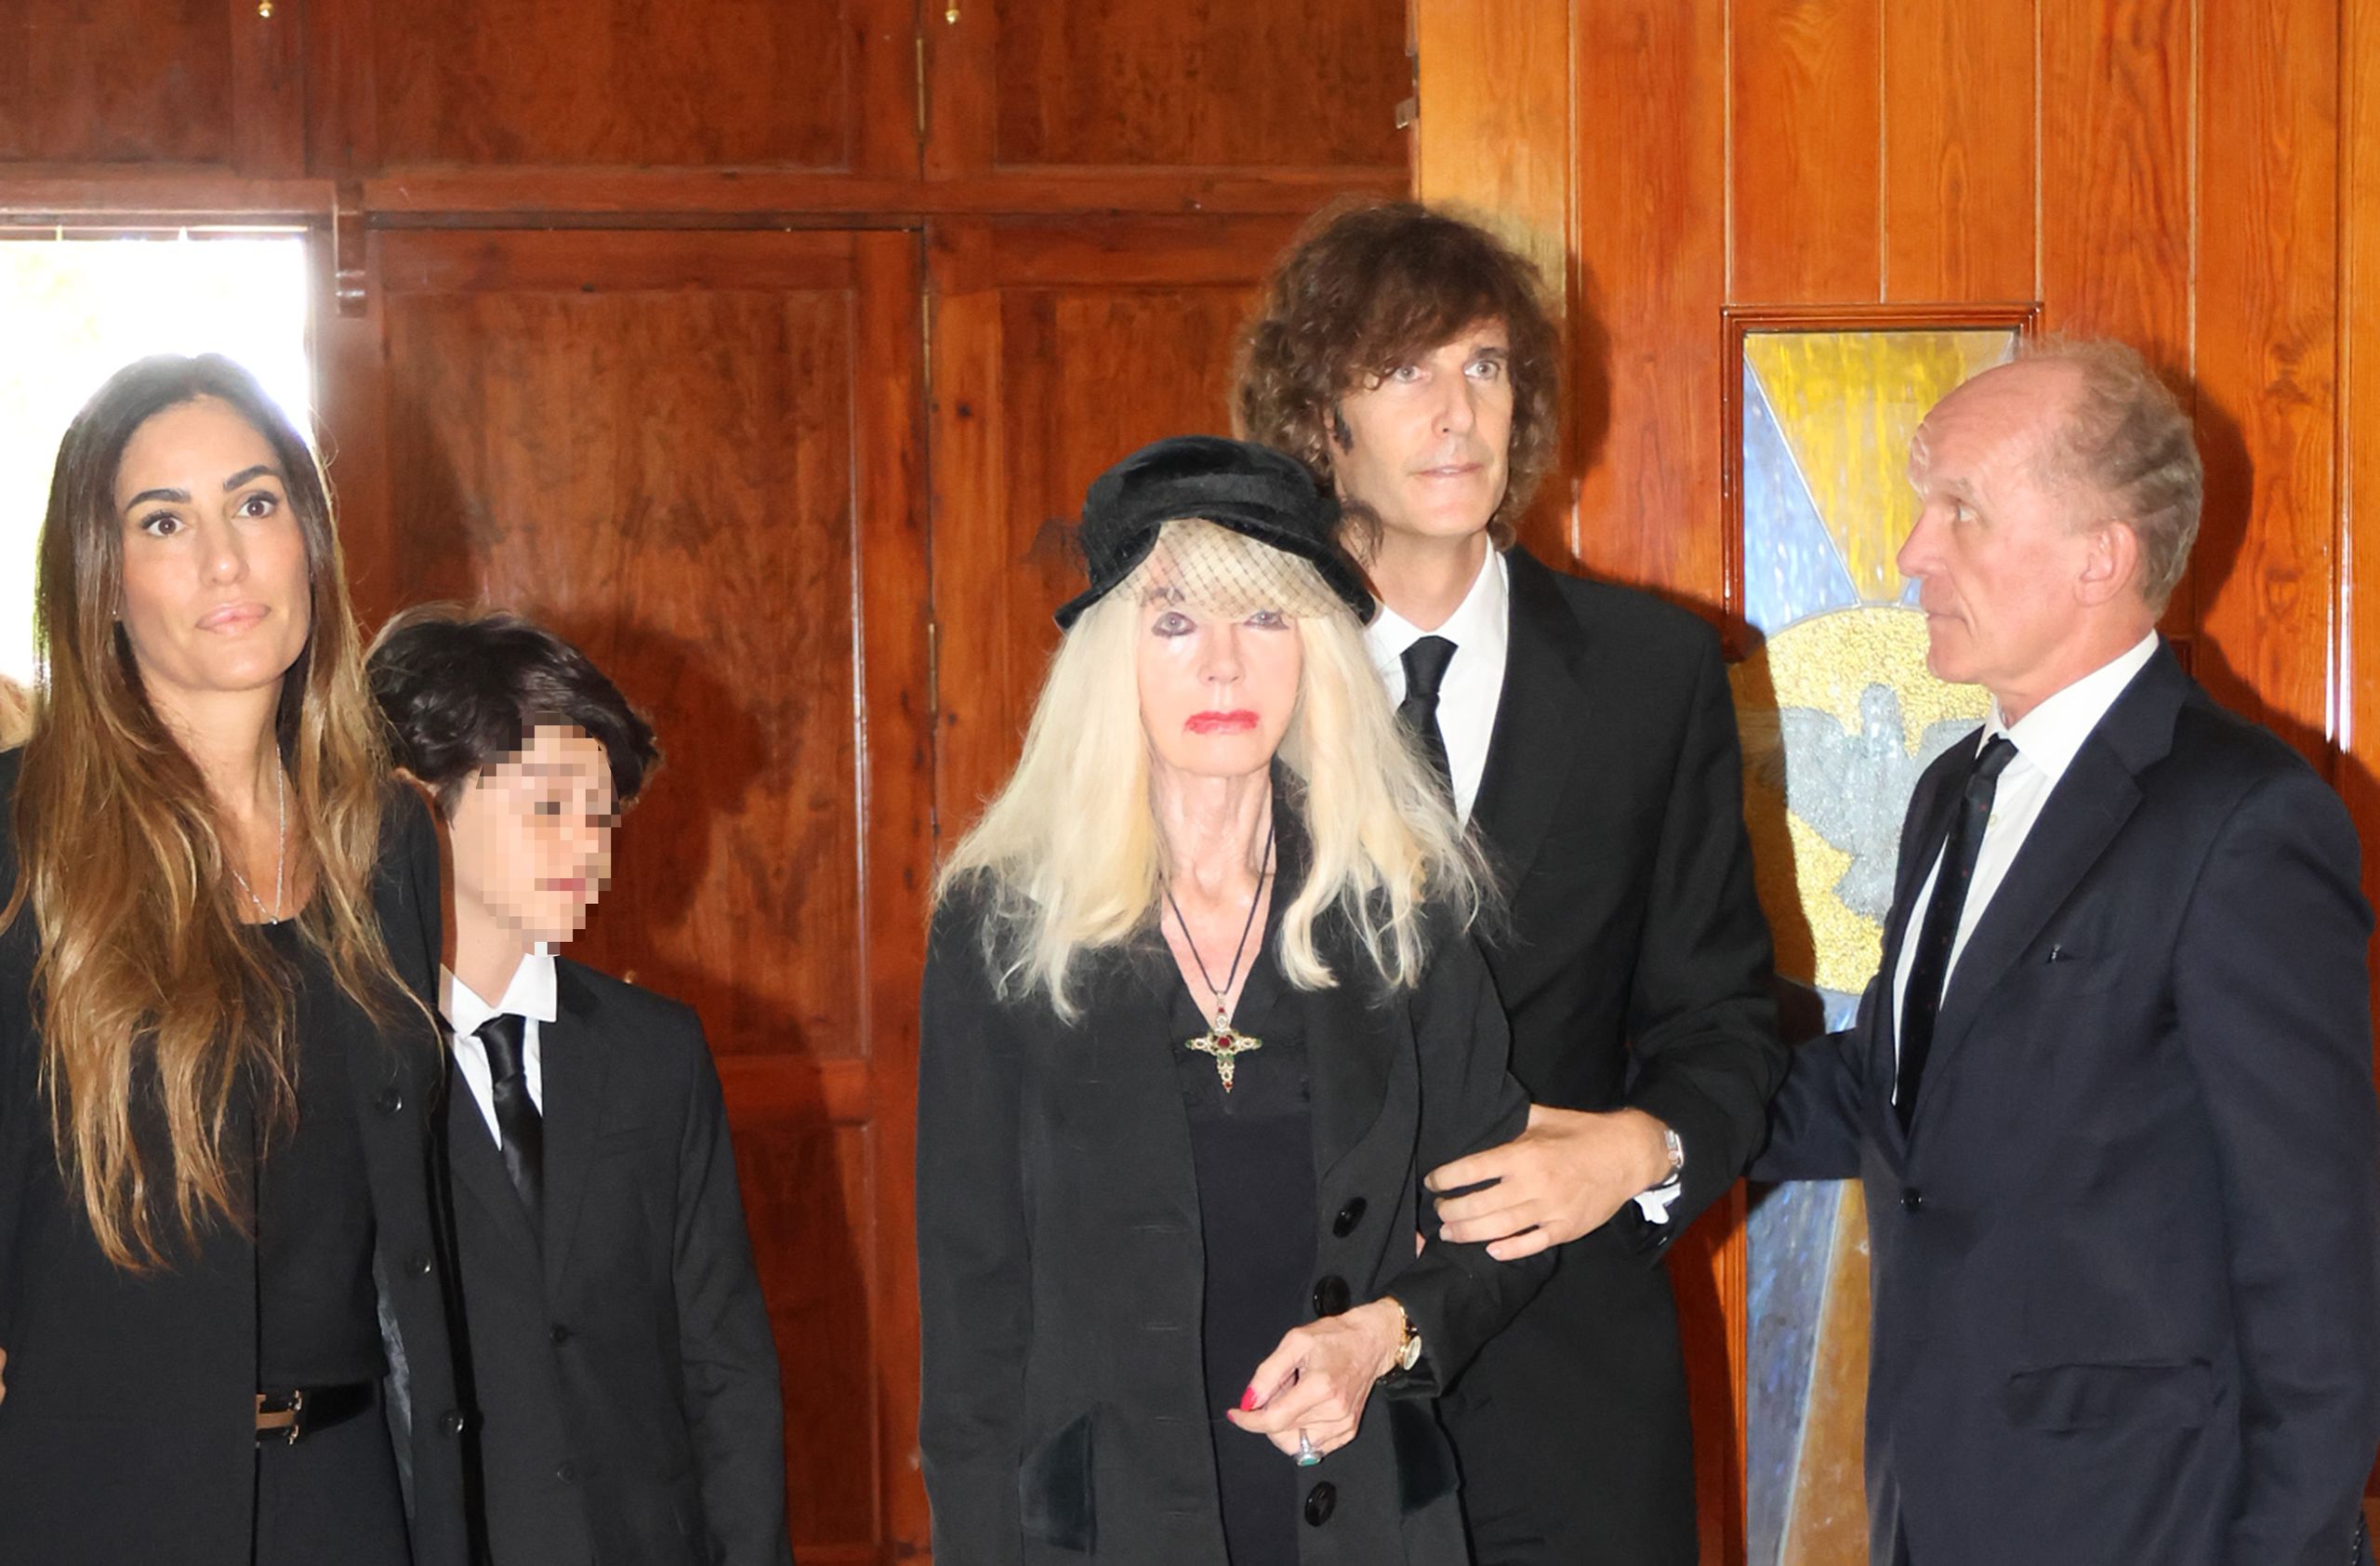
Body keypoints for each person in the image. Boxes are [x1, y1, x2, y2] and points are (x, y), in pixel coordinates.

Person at [1751, 339, 2380, 1566]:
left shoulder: (2245, 818)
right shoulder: (1953, 790)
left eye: (1962, 511)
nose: (1913, 552)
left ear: (2104, 555)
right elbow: (1890, 1094)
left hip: (2152, 1525)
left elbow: (2321, 1255)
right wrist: (1647, 1121)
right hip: (1935, 1505)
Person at [1235, 200, 1785, 1564]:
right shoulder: (1234, 670)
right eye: (1402, 370)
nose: (1456, 413)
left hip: (1573, 1381)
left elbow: (1724, 1022)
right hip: (1295, 1373)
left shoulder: (1654, 674)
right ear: (1319, 419)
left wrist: (1639, 1149)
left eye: (1484, 365)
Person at [916, 435, 1551, 1564]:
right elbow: (973, 1309)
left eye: (1264, 618)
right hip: (1105, 1530)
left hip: (1361, 1519)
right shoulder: (1002, 924)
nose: (1223, 665)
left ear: (1316, 648)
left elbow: (1504, 1215)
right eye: (1174, 621)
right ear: (1113, 655)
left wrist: (1385, 1333)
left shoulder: (1400, 906)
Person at [0, 354, 470, 1564]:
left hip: (355, 1493)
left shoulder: (387, 838)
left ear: (307, 539)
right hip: (96, 1506)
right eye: (164, 522)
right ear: (101, 584)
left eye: (255, 503)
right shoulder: (20, 836)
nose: (225, 558)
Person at [368, 607, 790, 1566]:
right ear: (420, 803)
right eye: (550, 807)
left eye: (602, 818)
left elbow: (725, 1365)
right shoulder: (350, 1059)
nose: (590, 851)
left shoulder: (655, 1052)